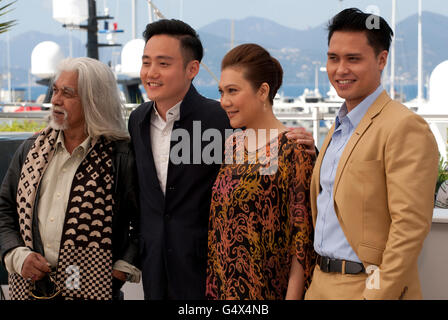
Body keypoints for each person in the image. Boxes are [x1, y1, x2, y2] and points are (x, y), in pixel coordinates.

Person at [128, 19, 315, 300]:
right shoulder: (137, 120)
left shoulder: (222, 121)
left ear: (192, 69)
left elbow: (272, 167)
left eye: (163, 63)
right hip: (161, 273)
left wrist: (310, 147)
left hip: (217, 278)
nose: (151, 72)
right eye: (146, 62)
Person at [305, 8, 439, 300]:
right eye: (333, 58)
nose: (340, 69)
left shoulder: (404, 127)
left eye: (353, 59)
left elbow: (410, 227)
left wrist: (373, 296)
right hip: (319, 284)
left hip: (364, 287)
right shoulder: (339, 126)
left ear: (381, 60)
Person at [0, 57, 140, 300]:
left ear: (94, 100)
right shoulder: (31, 150)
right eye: (55, 90)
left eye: (68, 93)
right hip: (30, 289)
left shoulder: (122, 157)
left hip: (95, 292)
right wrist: (16, 254)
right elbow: (4, 209)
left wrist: (121, 269)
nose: (55, 100)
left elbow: (144, 221)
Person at [205, 44, 316, 300]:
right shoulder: (232, 144)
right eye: (222, 92)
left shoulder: (293, 148)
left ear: (263, 91)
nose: (224, 102)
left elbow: (301, 242)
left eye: (233, 91)